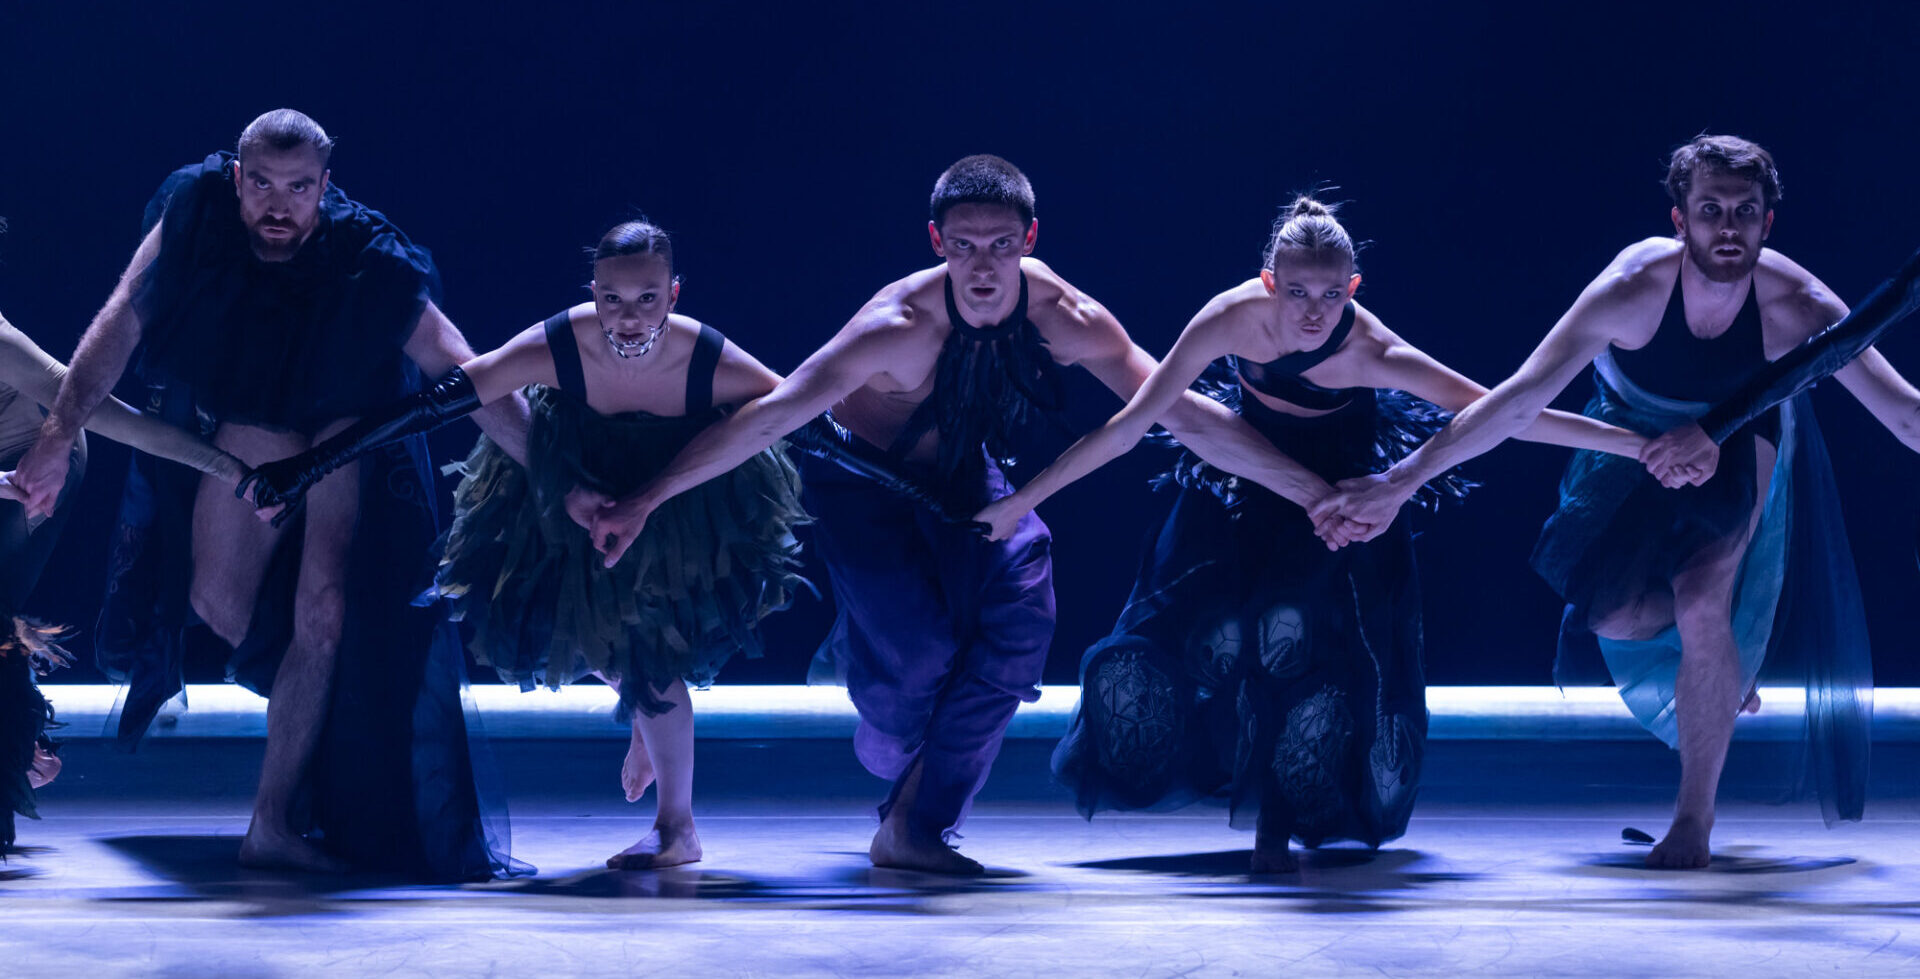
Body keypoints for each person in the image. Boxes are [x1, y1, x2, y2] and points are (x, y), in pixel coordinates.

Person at [591, 155, 1336, 874]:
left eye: (1002, 246)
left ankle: (915, 826)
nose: (983, 267)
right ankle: (863, 650)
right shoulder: (896, 324)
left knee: (1022, 614)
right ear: (937, 243)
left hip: (965, 482)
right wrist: (647, 497)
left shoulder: (1064, 314)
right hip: (864, 482)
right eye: (965, 246)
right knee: (917, 664)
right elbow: (771, 415)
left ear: (1030, 241)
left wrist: (1311, 489)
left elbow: (1177, 412)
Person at [974, 197, 1643, 871]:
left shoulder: (1367, 346)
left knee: (1294, 637)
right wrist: (1023, 500)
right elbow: (1132, 423)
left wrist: (1636, 445)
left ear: (1353, 289)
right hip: (1246, 487)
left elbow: (1506, 410)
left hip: (1341, 507)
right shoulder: (1230, 318)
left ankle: (1278, 814)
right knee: (1212, 635)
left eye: (1330, 294)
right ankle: (1231, 778)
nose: (1313, 311)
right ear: (1269, 282)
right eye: (1296, 293)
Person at [1314, 135, 1920, 868]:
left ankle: (1692, 819)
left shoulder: (1799, 305)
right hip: (1630, 432)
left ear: (1768, 223)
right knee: (1614, 611)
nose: (1728, 229)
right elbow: (1514, 402)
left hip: (1740, 441)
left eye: (1744, 213)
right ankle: (1725, 667)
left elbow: (1905, 414)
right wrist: (1400, 479)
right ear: (1679, 219)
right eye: (1710, 212)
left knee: (1703, 597)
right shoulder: (1630, 290)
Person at [8, 109, 530, 880]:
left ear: (327, 185)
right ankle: (318, 739)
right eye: (261, 185)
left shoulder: (367, 253)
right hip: (249, 426)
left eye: (298, 188)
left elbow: (465, 370)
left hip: (342, 431)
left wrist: (561, 481)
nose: (278, 205)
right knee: (222, 603)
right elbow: (119, 321)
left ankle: (272, 820)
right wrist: (54, 439)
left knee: (325, 607)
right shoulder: (196, 211)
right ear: (236, 178)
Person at [243, 219, 809, 870]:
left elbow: (794, 408)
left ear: (673, 294)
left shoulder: (704, 355)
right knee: (582, 632)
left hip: (675, 499)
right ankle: (644, 721)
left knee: (653, 661)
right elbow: (443, 399)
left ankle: (677, 825)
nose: (629, 318)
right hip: (572, 486)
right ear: (593, 294)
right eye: (613, 300)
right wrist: (310, 464)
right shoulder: (563, 341)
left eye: (648, 299)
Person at [0, 308, 249, 854]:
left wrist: (229, 469)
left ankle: (14, 747)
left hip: (26, 471)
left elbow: (102, 411)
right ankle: (19, 746)